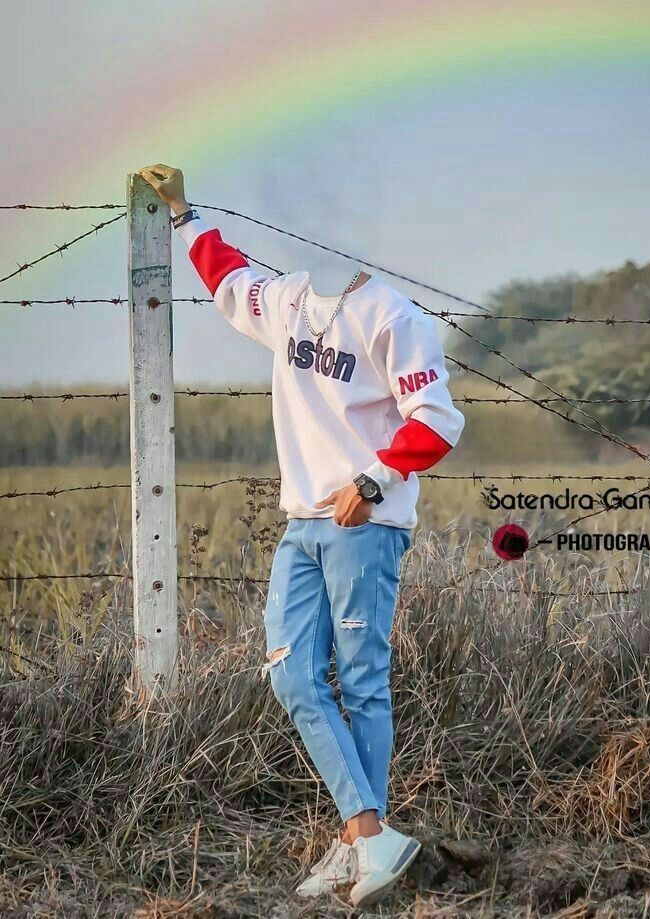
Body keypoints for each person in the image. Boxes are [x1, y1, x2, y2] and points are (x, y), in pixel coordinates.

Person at [140, 164, 465, 908]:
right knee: (290, 673)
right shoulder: (285, 298)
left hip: (364, 523)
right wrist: (184, 215)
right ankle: (366, 833)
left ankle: (362, 841)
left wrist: (374, 481)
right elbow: (229, 284)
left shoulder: (393, 316)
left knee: (360, 680)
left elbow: (438, 419)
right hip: (301, 523)